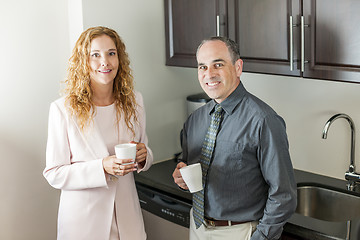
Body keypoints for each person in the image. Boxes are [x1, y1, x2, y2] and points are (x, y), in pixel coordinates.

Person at [172, 36, 297, 240]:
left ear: (238, 67)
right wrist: (181, 174)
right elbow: (186, 162)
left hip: (240, 232)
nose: (209, 74)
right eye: (202, 67)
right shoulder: (195, 120)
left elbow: (283, 195)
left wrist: (261, 237)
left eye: (218, 64)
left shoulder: (264, 120)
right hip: (197, 228)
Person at [43, 26, 153, 240]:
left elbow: (144, 149)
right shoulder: (63, 109)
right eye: (95, 55)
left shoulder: (134, 101)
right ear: (83, 61)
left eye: (111, 53)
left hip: (128, 218)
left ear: (119, 58)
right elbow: (54, 173)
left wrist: (144, 155)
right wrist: (101, 167)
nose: (105, 62)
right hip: (84, 222)